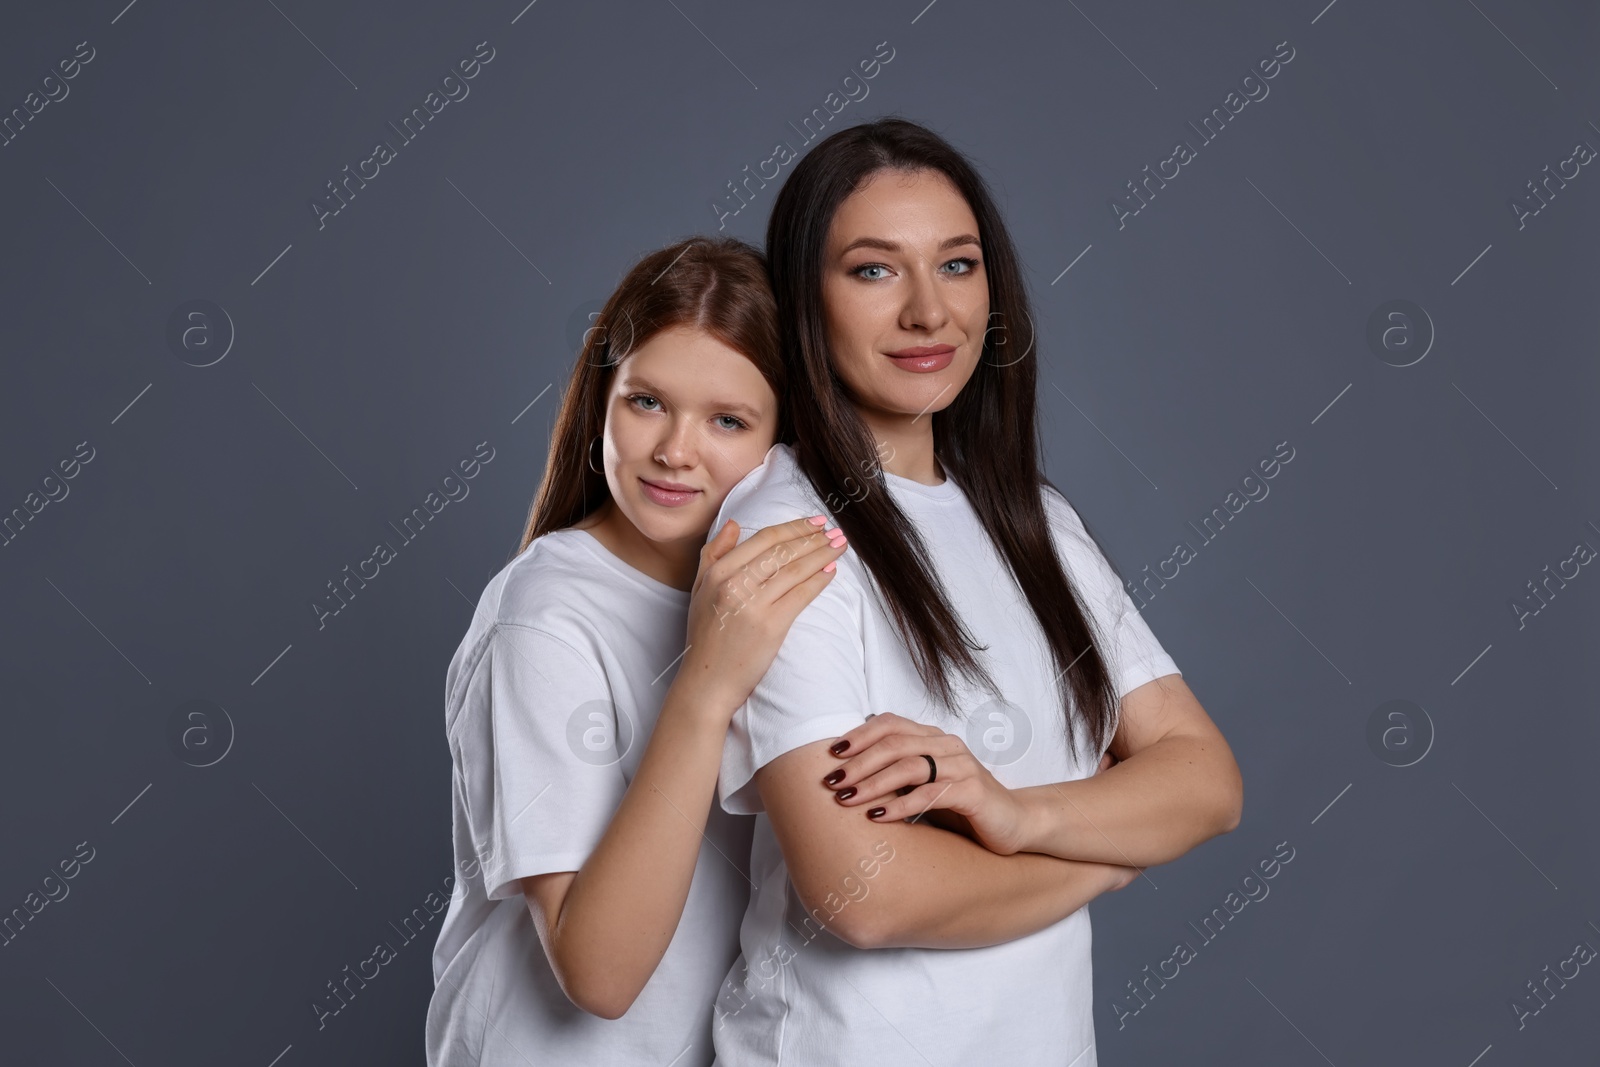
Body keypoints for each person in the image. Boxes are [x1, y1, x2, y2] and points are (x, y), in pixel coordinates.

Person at [708, 119, 1244, 1066]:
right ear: (805, 299)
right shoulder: (785, 532)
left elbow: (1205, 779)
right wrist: (1109, 852)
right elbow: (863, 895)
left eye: (957, 266)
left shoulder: (1033, 521)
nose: (929, 313)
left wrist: (1018, 815)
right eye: (874, 271)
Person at [426, 236, 851, 1066]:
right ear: (601, 399)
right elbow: (600, 974)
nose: (675, 450)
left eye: (727, 419)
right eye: (647, 401)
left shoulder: (779, 592)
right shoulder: (542, 616)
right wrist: (704, 685)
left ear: (785, 443)